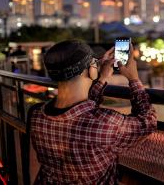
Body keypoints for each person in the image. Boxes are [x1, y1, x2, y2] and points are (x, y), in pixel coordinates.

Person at [28, 39, 157, 184]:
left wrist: (101, 79)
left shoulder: (36, 114)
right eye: (95, 62)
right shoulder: (104, 123)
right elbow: (148, 121)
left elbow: (81, 111)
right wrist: (133, 78)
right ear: (90, 69)